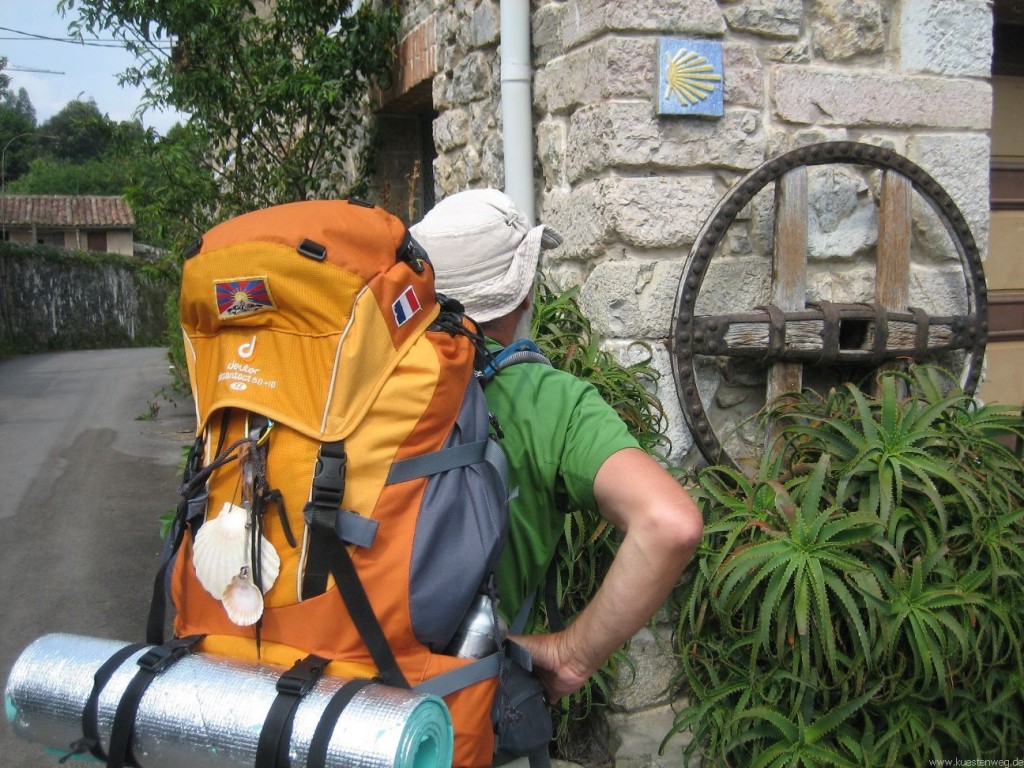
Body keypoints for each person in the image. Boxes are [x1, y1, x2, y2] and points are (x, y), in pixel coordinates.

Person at [409, 188, 704, 708]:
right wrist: (572, 652)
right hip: (459, 707)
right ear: (524, 295)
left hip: (331, 693)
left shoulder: (355, 385)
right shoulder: (550, 400)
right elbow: (669, 523)